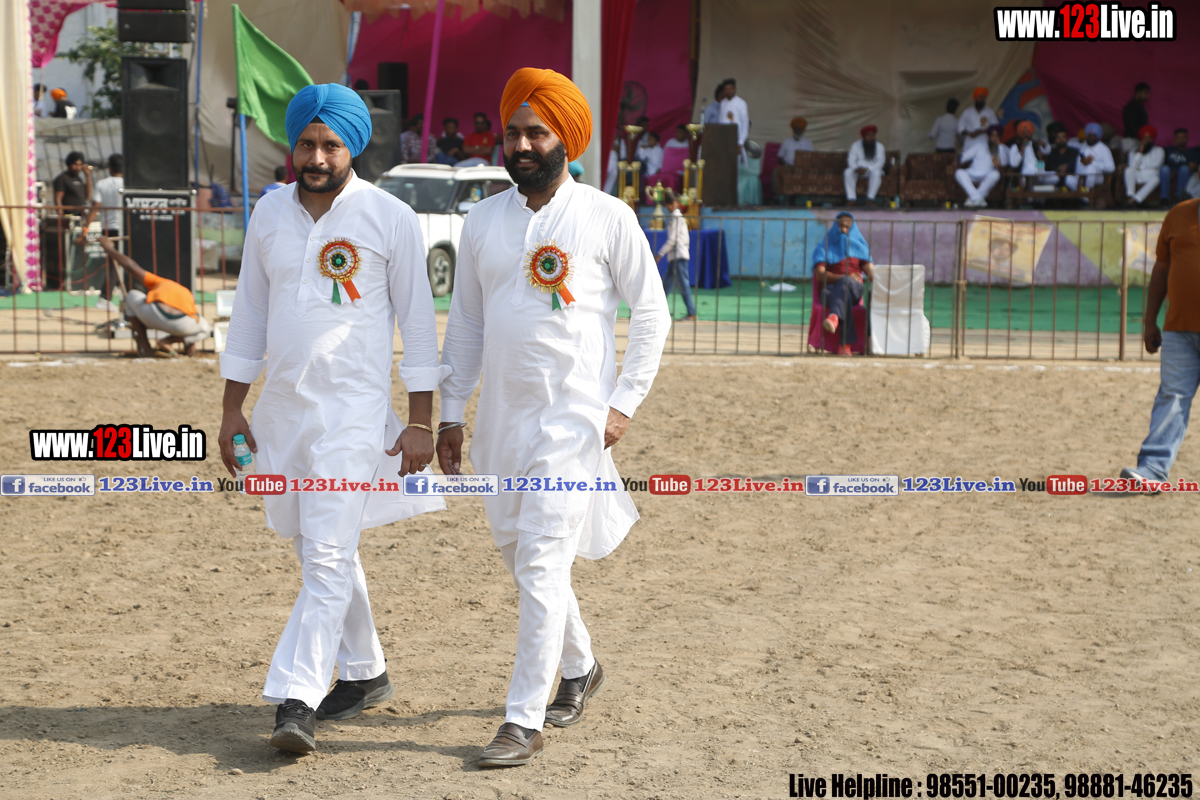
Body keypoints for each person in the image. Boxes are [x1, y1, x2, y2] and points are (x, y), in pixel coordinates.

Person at [437, 67, 671, 768]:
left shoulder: (607, 215)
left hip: (575, 423)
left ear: (566, 138)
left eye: (536, 132)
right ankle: (582, 666)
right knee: (523, 558)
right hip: (500, 425)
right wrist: (450, 414)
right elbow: (466, 325)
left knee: (542, 561)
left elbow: (652, 314)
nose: (521, 144)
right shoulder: (483, 221)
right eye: (513, 132)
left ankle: (522, 719)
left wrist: (623, 403)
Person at [218, 83, 443, 754]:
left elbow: (419, 326)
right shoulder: (269, 212)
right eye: (307, 144)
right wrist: (231, 407)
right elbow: (249, 312)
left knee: (324, 557)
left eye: (331, 145)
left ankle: (297, 699)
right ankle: (366, 671)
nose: (316, 157)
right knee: (314, 545)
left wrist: (421, 420)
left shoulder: (389, 217)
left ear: (355, 149)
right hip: (282, 414)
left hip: (354, 416)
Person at [1120, 193, 1200, 491]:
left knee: (1172, 396)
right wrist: (1150, 320)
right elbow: (1162, 268)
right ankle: (1152, 470)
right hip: (1179, 329)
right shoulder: (1178, 214)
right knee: (1172, 396)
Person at [97, 235, 211, 355]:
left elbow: (131, 267)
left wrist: (110, 249)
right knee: (204, 327)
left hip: (153, 316)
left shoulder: (158, 282)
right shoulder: (185, 292)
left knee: (131, 295)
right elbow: (193, 316)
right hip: (181, 325)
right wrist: (190, 343)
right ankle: (170, 342)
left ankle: (146, 346)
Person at [814, 212, 874, 356]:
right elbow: (819, 275)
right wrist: (844, 276)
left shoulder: (860, 248)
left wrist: (877, 275)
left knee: (845, 285)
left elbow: (871, 273)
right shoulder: (824, 247)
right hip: (828, 291)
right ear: (836, 226)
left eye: (848, 227)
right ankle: (844, 344)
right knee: (843, 291)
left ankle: (836, 320)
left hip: (855, 290)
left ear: (853, 228)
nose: (844, 229)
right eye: (841, 226)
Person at [656, 189, 695, 321]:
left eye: (670, 204)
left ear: (675, 203)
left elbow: (672, 239)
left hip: (679, 255)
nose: (669, 207)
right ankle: (657, 310)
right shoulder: (676, 217)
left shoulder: (676, 217)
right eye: (668, 204)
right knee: (666, 285)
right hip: (675, 256)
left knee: (683, 285)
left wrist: (660, 254)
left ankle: (691, 312)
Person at [955, 124, 1004, 208]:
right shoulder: (980, 145)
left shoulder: (1001, 148)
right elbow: (963, 157)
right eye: (992, 135)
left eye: (996, 135)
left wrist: (1000, 146)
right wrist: (958, 159)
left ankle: (973, 199)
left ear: (1000, 137)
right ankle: (977, 198)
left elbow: (1004, 163)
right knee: (959, 172)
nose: (994, 137)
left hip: (987, 174)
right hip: (973, 173)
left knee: (996, 174)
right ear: (989, 136)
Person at [1065, 122, 1115, 192]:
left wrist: (1092, 163)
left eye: (1094, 135)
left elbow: (1111, 168)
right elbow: (1070, 144)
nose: (1091, 137)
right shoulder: (1083, 145)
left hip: (1096, 177)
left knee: (1091, 168)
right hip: (1080, 176)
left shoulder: (1104, 149)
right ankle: (1084, 195)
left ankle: (1086, 193)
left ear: (1098, 136)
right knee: (1068, 178)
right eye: (1089, 135)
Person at [844, 125, 886, 205]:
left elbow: (880, 162)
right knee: (848, 172)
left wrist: (867, 169)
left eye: (873, 135)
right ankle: (851, 199)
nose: (871, 138)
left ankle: (870, 199)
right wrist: (856, 168)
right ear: (863, 137)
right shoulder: (855, 145)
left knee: (877, 172)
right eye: (868, 136)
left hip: (872, 170)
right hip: (858, 170)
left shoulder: (880, 146)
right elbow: (851, 160)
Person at [1123, 126, 1164, 206]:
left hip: (1150, 175)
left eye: (1149, 138)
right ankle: (1130, 195)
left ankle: (1136, 199)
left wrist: (1139, 167)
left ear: (1152, 139)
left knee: (1156, 180)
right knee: (1128, 170)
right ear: (1141, 139)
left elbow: (1156, 164)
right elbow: (1132, 165)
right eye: (1145, 137)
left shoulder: (1159, 150)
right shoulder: (1133, 151)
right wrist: (1140, 151)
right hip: (1137, 175)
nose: (1147, 140)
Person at [957, 87, 997, 155]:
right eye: (980, 97)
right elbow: (960, 129)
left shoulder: (990, 112)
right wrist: (970, 133)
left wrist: (981, 131)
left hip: (984, 146)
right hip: (969, 146)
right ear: (975, 98)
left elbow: (995, 128)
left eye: (983, 97)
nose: (982, 99)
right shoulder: (967, 112)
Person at [1160, 129, 1196, 204]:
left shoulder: (1192, 152)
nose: (1182, 140)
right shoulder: (1168, 150)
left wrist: (1176, 173)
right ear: (1175, 140)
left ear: (1187, 139)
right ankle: (1164, 198)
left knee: (1184, 169)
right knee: (1164, 169)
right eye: (1179, 138)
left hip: (1183, 175)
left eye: (1184, 137)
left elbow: (1192, 167)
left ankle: (1179, 197)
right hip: (1169, 174)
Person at [717, 79, 750, 161]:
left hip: (736, 140)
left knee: (733, 165)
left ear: (735, 89)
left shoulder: (741, 103)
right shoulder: (723, 103)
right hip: (724, 140)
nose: (729, 91)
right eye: (726, 89)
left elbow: (745, 125)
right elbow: (720, 121)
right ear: (724, 90)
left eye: (730, 88)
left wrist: (740, 143)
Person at [1121, 82, 1151, 157]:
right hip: (1131, 140)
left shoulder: (1140, 106)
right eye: (1145, 93)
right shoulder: (1130, 107)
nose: (1148, 95)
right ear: (1138, 93)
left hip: (1138, 140)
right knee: (1131, 161)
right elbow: (1131, 126)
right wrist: (1142, 137)